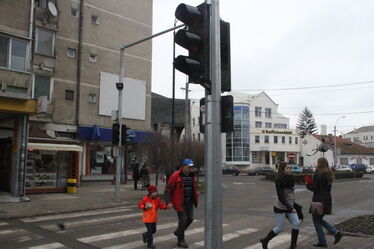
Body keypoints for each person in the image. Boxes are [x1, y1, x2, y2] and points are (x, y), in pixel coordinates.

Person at [260, 162, 300, 249]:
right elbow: (281, 197)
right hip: (280, 206)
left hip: (290, 205)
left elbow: (291, 194)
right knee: (280, 227)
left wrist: (294, 205)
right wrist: (290, 207)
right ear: (283, 169)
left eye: (290, 168)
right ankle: (265, 240)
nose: (289, 170)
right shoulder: (279, 180)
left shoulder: (291, 178)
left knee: (296, 223)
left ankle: (293, 245)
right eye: (287, 168)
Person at [306, 157, 343, 248]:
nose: (316, 164)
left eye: (317, 162)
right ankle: (332, 235)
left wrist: (308, 184)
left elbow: (315, 187)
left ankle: (331, 235)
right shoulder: (329, 173)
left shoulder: (318, 174)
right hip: (326, 199)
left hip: (318, 200)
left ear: (320, 164)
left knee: (316, 220)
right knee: (318, 220)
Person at [166, 158, 198, 248]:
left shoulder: (192, 175)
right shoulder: (175, 175)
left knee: (190, 219)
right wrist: (169, 202)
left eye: (192, 167)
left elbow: (194, 188)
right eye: (189, 167)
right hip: (180, 202)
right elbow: (168, 190)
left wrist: (195, 196)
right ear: (184, 166)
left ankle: (178, 232)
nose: (191, 169)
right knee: (183, 220)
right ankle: (180, 240)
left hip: (189, 202)